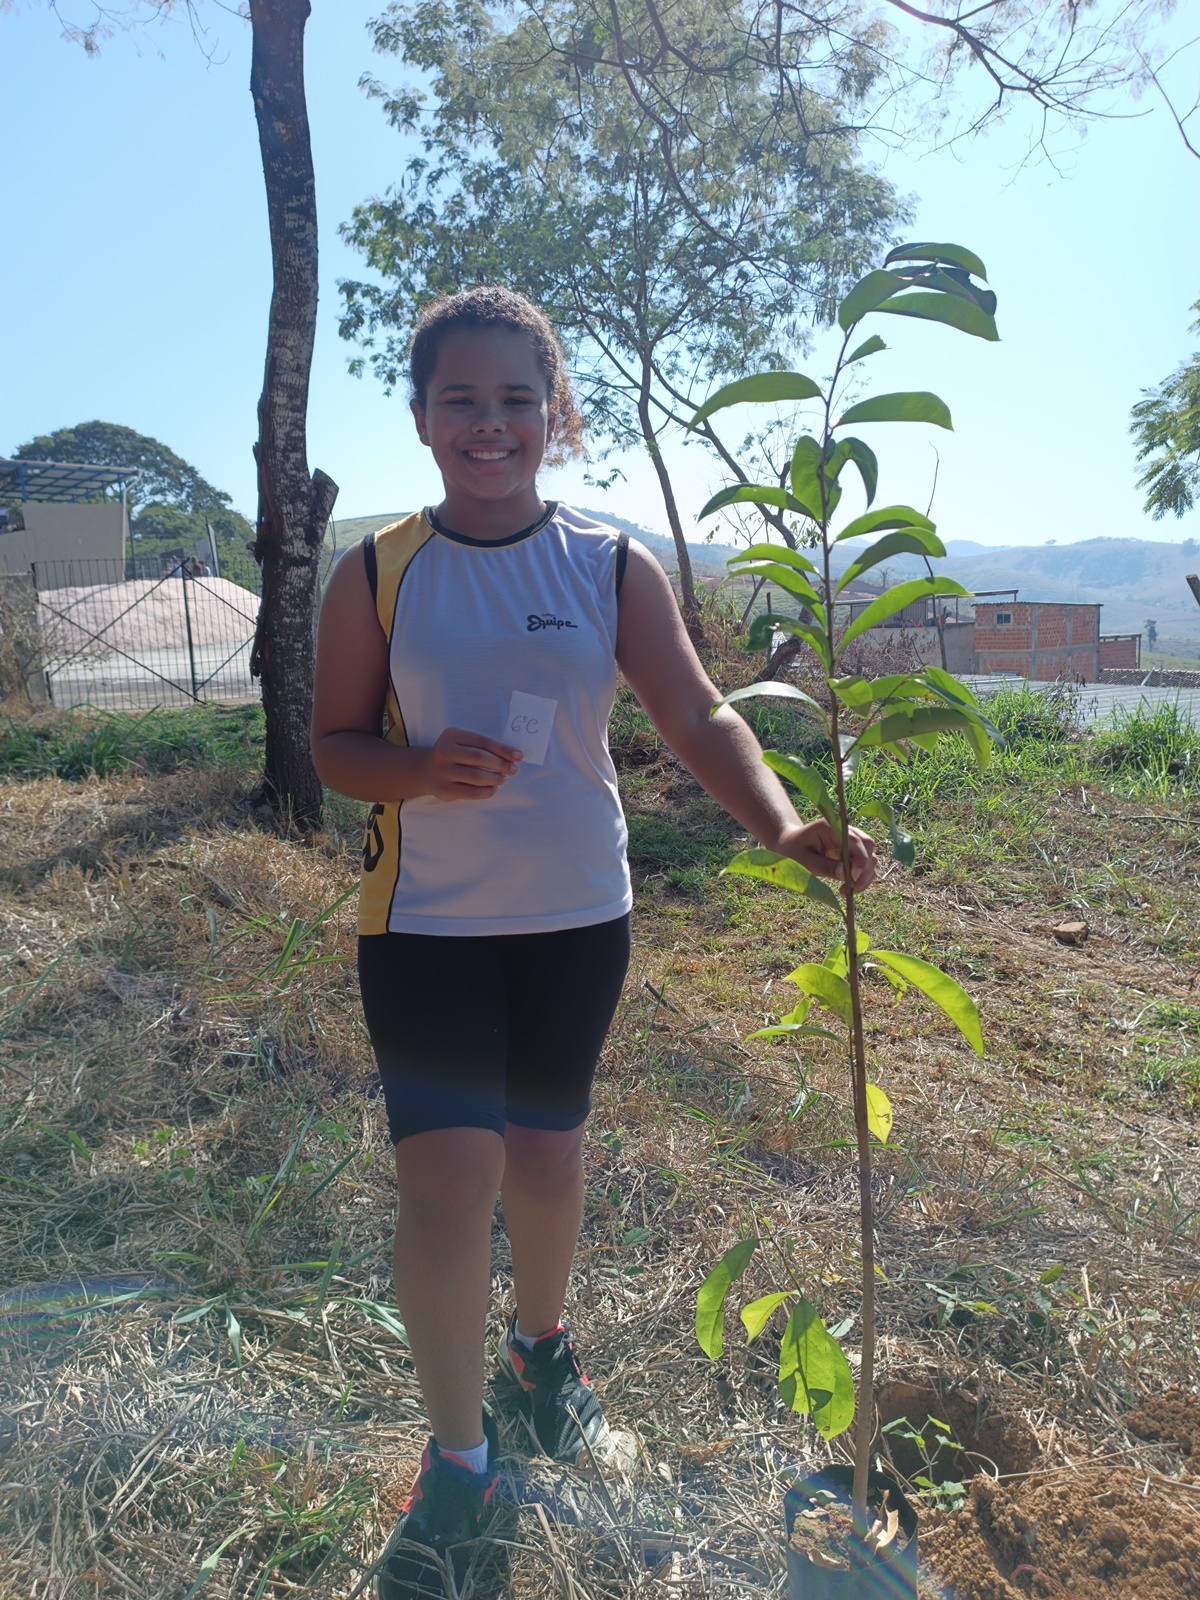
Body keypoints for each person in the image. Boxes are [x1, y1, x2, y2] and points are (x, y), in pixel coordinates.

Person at [310, 286, 876, 1599]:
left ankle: (543, 1357)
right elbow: (334, 746)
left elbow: (698, 715)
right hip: (429, 925)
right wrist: (419, 768)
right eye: (461, 399)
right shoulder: (376, 571)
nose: (490, 423)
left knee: (548, 1155)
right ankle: (462, 1464)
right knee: (449, 1181)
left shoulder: (609, 562)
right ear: (421, 416)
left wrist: (782, 826)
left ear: (554, 414)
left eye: (517, 399)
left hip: (578, 919)